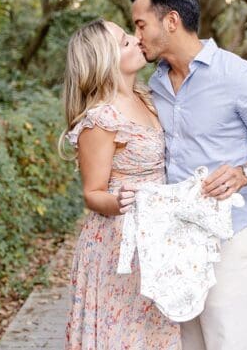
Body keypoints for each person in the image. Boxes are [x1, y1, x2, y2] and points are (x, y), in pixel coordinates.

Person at [129, 0, 247, 350]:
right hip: (175, 239)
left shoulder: (238, 76)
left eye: (140, 24)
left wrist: (246, 173)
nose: (137, 35)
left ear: (171, 21)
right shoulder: (154, 83)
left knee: (231, 341)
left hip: (232, 232)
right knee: (190, 342)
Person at [61, 19, 180, 349]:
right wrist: (119, 203)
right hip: (118, 243)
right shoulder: (102, 119)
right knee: (123, 336)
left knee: (152, 334)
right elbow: (92, 192)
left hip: (157, 239)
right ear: (104, 61)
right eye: (124, 41)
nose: (135, 39)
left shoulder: (148, 97)